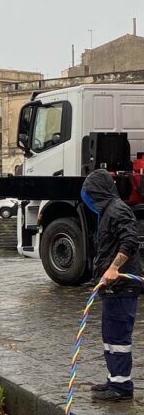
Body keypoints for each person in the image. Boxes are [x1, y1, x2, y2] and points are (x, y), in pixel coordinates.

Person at [81, 169, 141, 402]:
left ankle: (122, 387)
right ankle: (115, 380)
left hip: (123, 287)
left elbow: (130, 240)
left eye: (89, 194)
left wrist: (115, 268)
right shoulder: (107, 211)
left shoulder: (117, 210)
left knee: (118, 337)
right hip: (112, 288)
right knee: (110, 336)